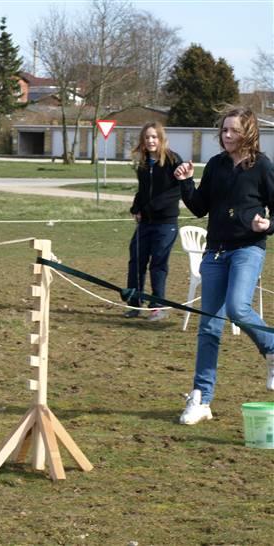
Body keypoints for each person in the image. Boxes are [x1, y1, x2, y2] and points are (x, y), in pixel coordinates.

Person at [174, 106, 274, 425]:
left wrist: (267, 226)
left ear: (248, 133)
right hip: (215, 252)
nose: (227, 135)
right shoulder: (216, 165)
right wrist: (186, 183)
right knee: (208, 326)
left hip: (247, 249)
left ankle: (272, 348)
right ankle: (201, 398)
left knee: (237, 308)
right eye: (224, 130)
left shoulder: (262, 166)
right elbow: (200, 207)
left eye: (233, 130)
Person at [124, 122, 182, 321]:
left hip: (166, 223)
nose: (150, 141)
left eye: (154, 137)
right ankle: (134, 303)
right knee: (136, 261)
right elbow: (142, 191)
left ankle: (157, 306)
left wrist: (152, 207)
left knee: (158, 264)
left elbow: (176, 191)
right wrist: (136, 207)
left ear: (161, 138)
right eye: (147, 137)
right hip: (145, 223)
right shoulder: (143, 163)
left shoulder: (173, 160)